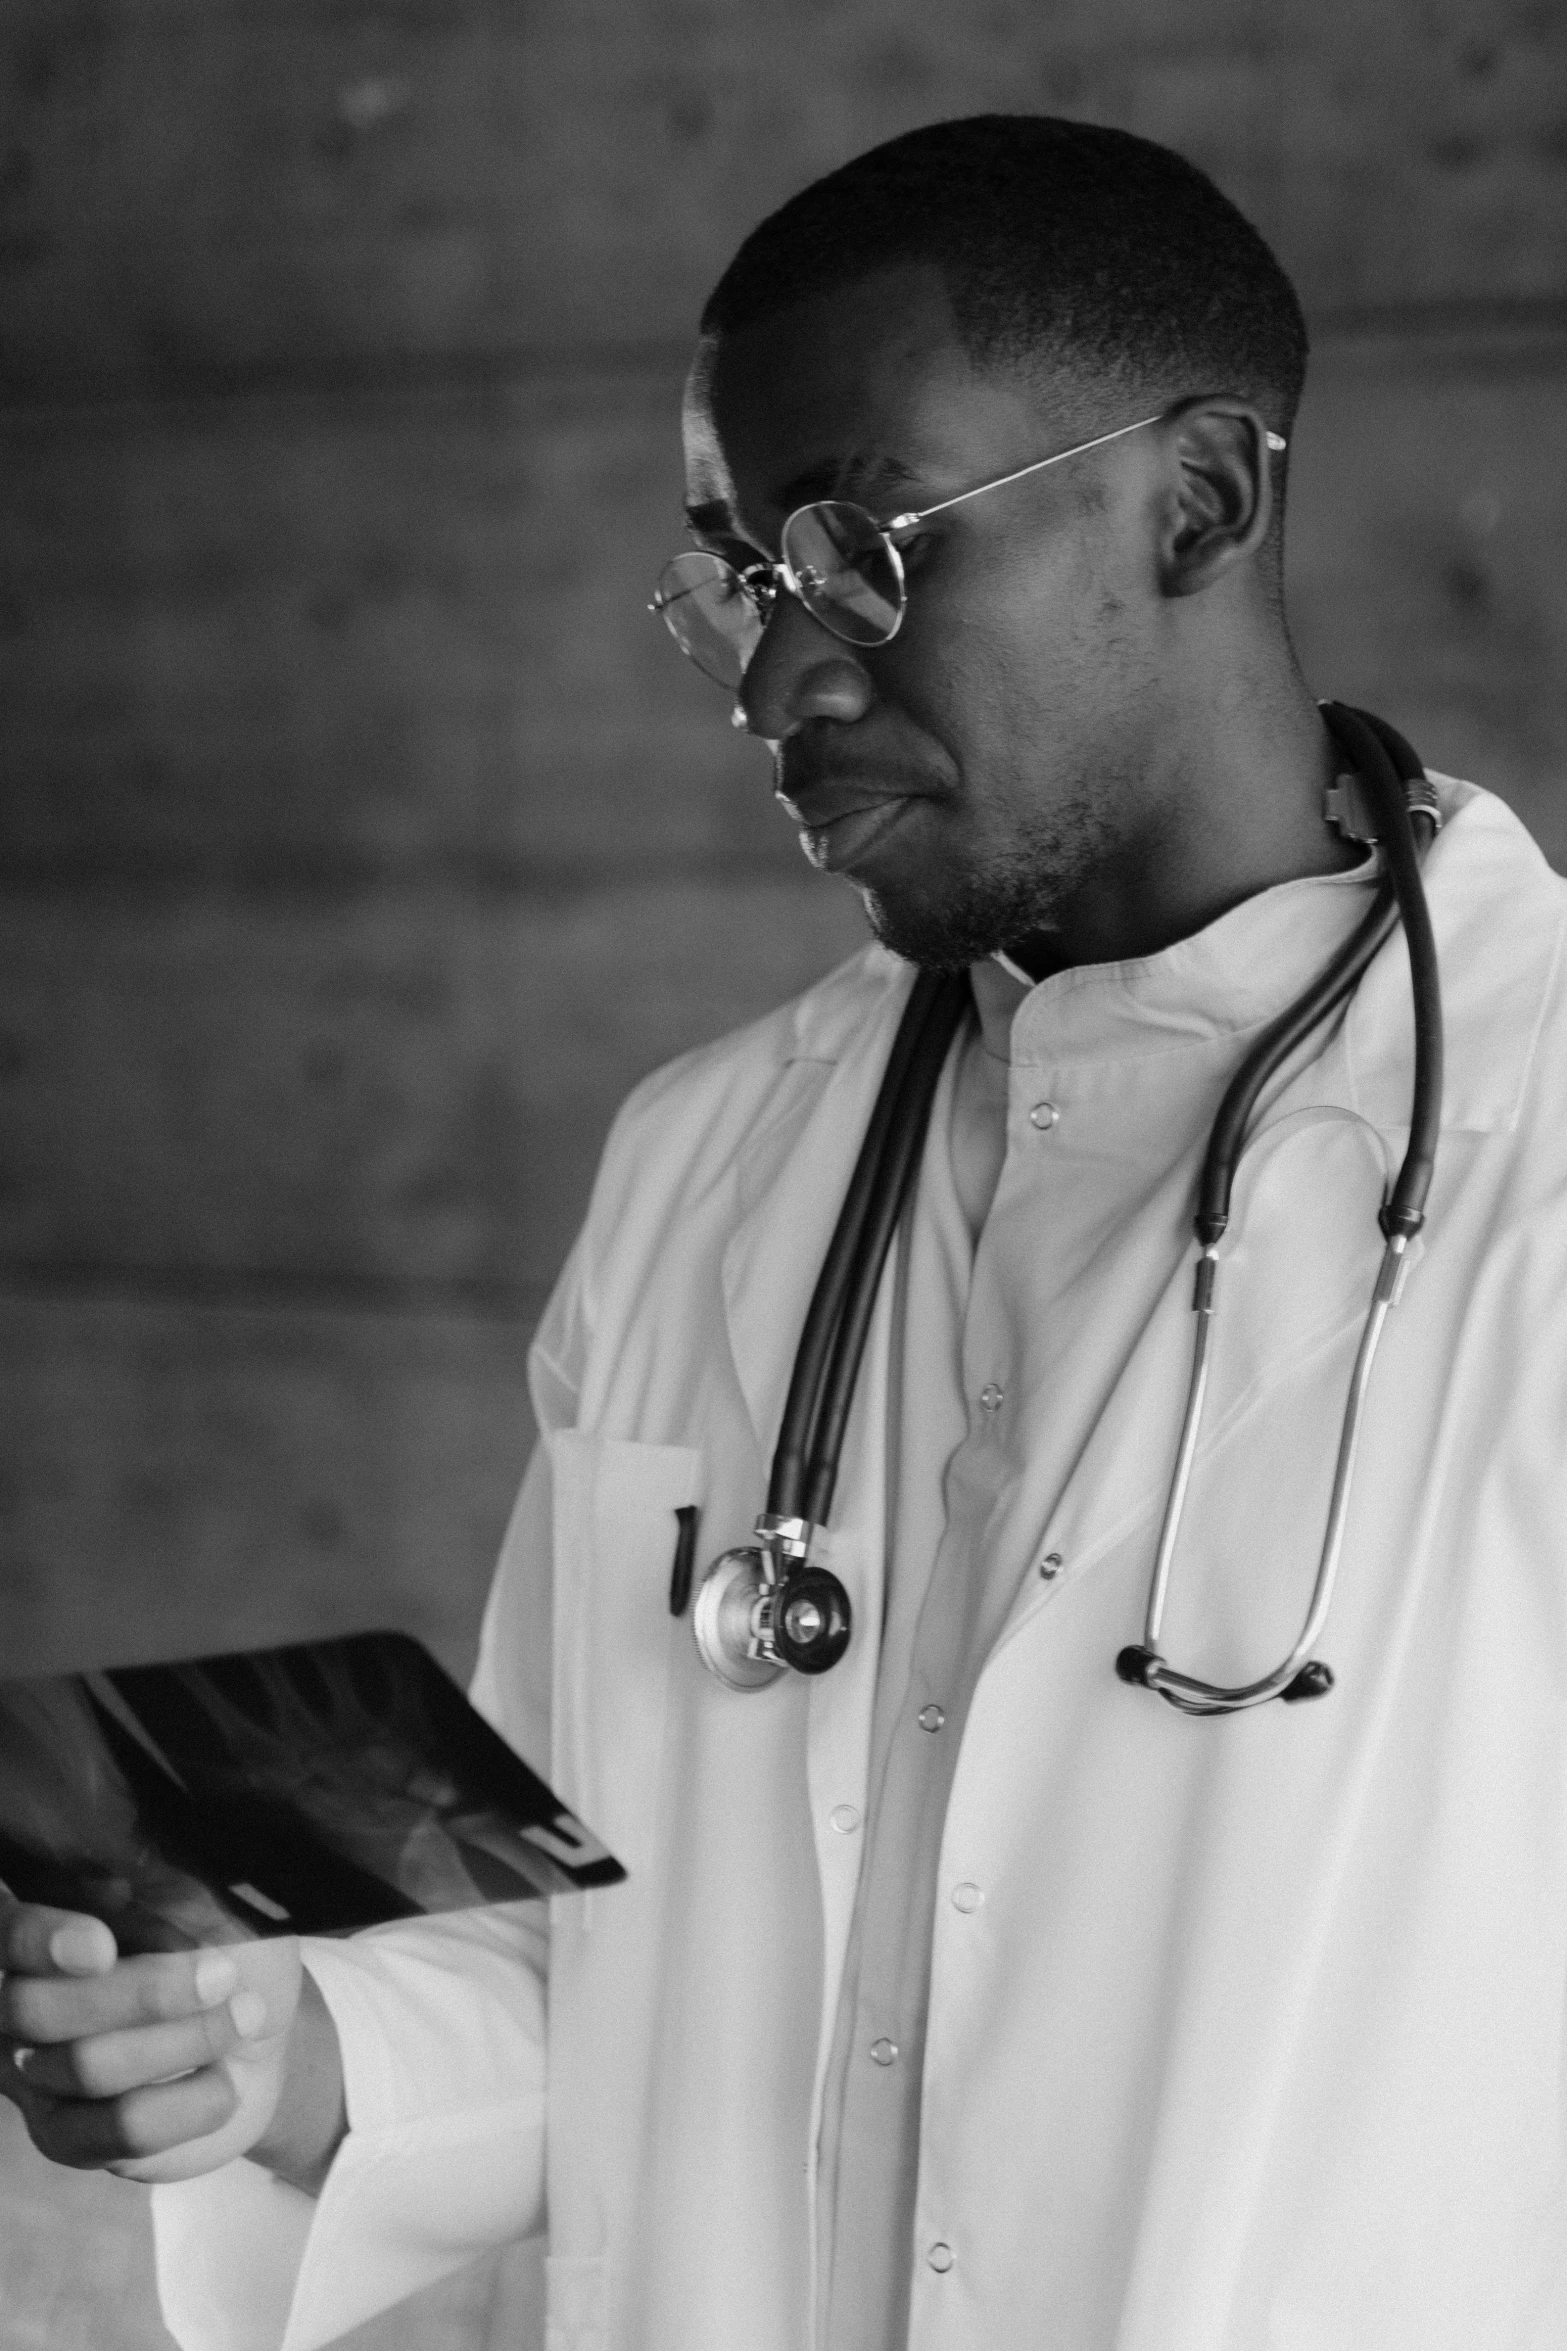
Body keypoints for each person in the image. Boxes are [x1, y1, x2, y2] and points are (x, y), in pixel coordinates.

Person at [4, 114, 1566, 2351]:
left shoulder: (1537, 1152)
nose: (777, 679)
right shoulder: (714, 1167)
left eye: (861, 549)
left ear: (1200, 500)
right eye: (741, 569)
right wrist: (286, 2050)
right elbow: (618, 1946)